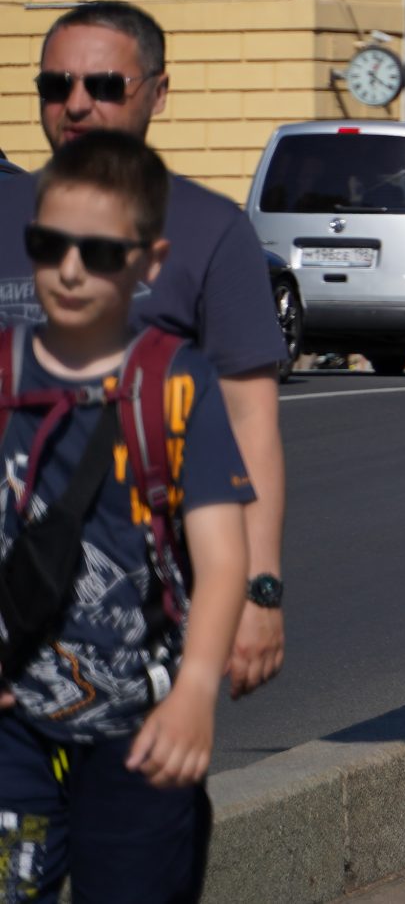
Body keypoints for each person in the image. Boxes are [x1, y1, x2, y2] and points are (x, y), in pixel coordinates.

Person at [0, 4, 285, 696]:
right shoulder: (6, 214)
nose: (75, 104)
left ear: (157, 92)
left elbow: (251, 421)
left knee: (133, 797)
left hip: (140, 621)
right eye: (55, 85)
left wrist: (261, 587)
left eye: (103, 85)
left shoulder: (209, 230)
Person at [0, 130, 252, 901]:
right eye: (50, 244)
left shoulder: (177, 386)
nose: (71, 269)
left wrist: (196, 691)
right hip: (12, 724)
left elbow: (222, 562)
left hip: (144, 729)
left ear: (148, 260)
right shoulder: (2, 369)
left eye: (101, 252)